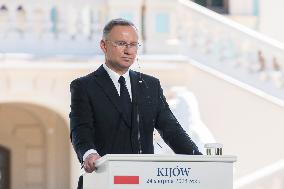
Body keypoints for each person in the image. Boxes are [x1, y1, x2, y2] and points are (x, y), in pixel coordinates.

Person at [69, 18, 202, 189]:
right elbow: (80, 129)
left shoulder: (151, 85)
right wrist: (89, 154)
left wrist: (199, 159)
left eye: (133, 44)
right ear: (103, 45)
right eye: (121, 43)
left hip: (142, 182)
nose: (128, 50)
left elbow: (172, 130)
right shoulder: (84, 86)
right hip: (101, 181)